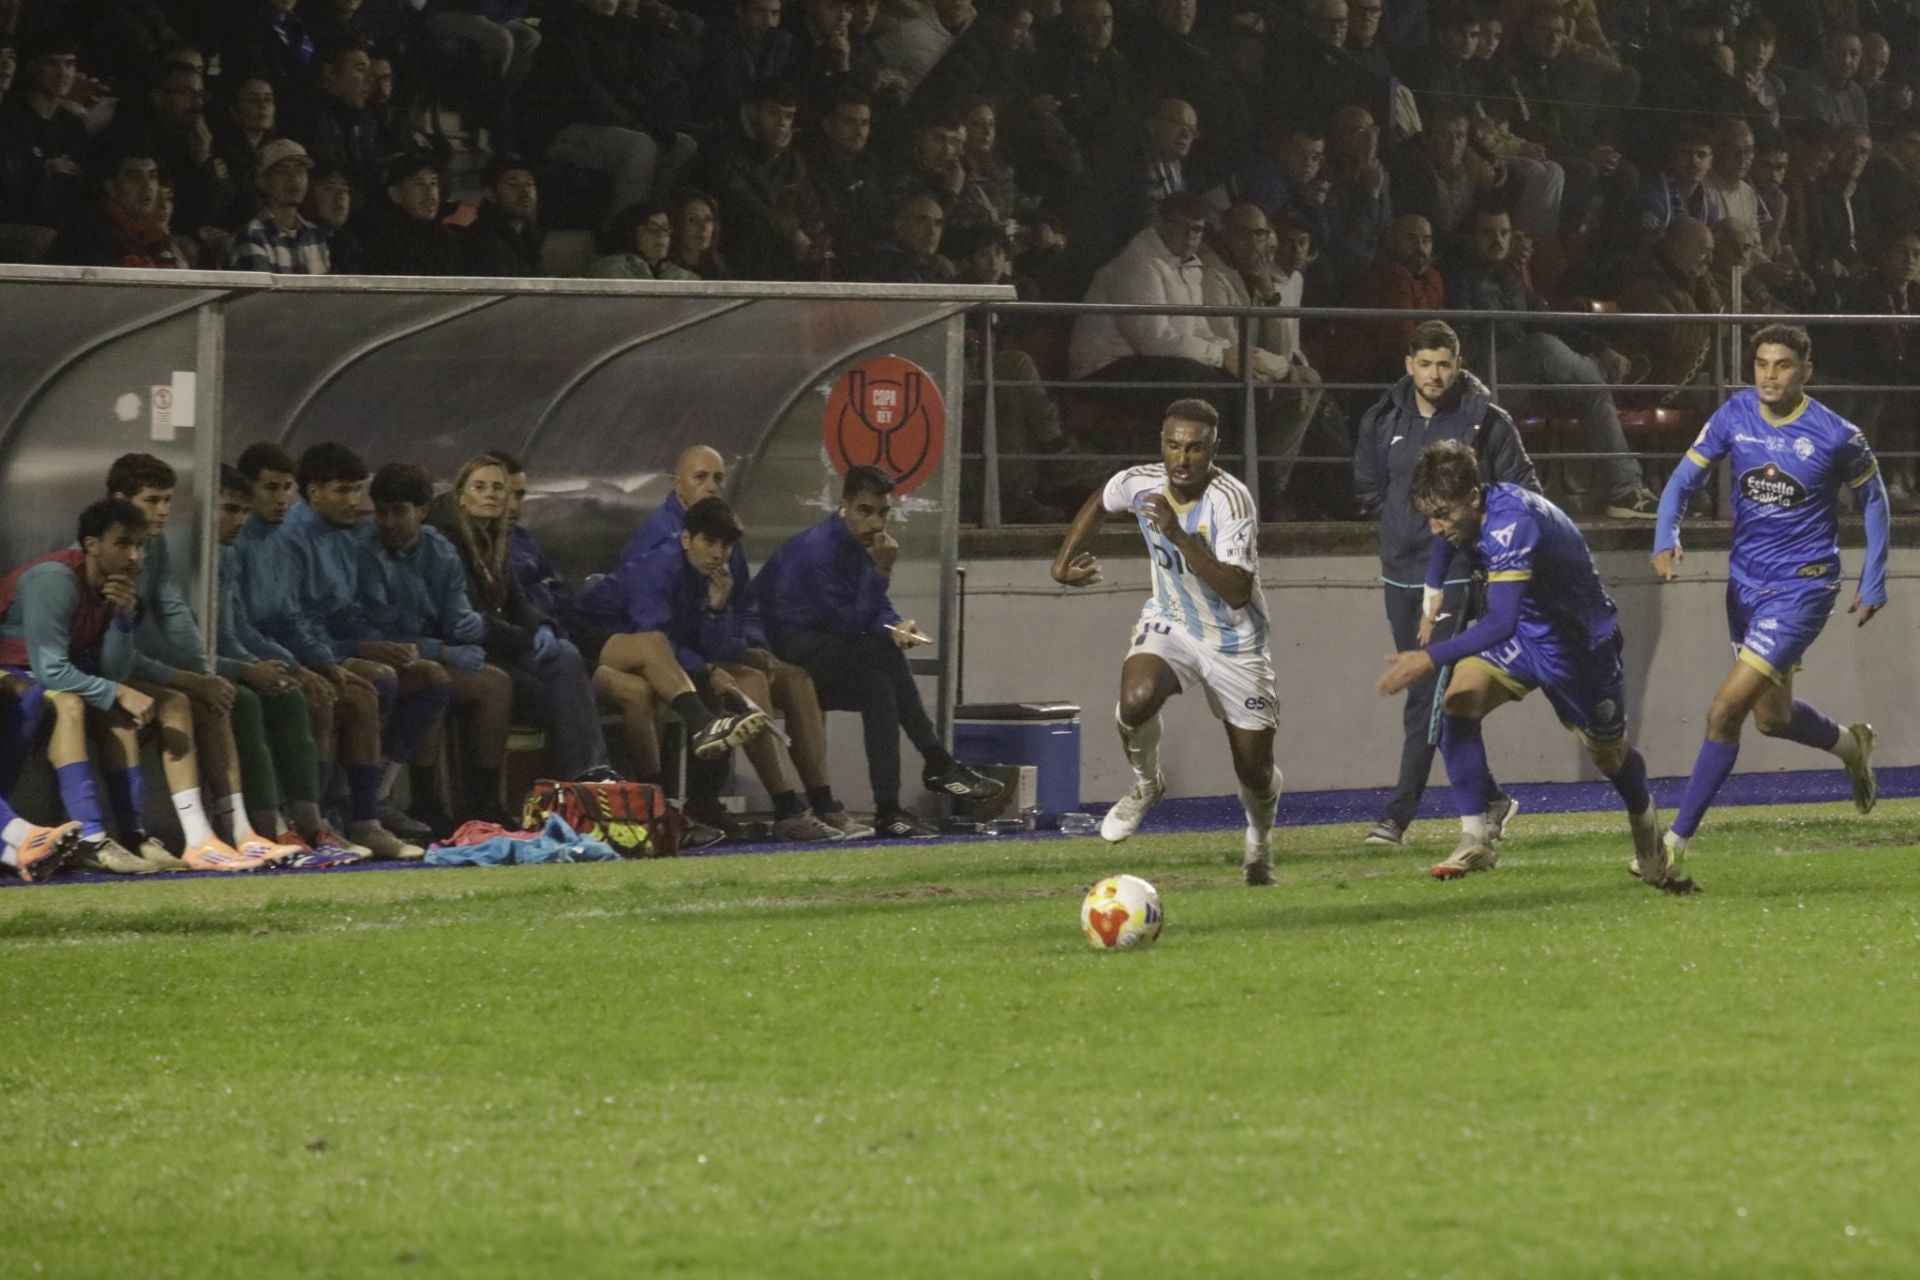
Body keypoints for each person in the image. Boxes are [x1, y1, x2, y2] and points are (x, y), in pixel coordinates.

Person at [1647, 324, 1886, 892]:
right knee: (1771, 718)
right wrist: (1664, 533)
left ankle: (1671, 846)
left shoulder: (1836, 435)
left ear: (1806, 371)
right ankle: (1853, 745)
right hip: (1745, 586)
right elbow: (1683, 479)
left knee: (1723, 713)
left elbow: (1873, 501)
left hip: (1803, 587)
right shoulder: (1735, 416)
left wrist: (1873, 579)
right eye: (1761, 364)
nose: (1769, 375)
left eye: (1782, 365)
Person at [1376, 442, 1661, 883]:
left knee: (1610, 758)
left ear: (1473, 497)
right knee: (1458, 703)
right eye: (1428, 515)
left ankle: (1646, 827)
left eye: (1443, 515)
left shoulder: (1513, 524)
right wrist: (1434, 586)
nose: (1435, 528)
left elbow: (1499, 623)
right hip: (1530, 636)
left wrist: (1428, 658)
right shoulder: (1472, 509)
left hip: (1579, 649)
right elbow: (1450, 536)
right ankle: (1475, 840)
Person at [1047, 400, 1282, 884]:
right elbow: (1101, 498)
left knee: (1255, 771)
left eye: (1195, 448)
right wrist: (1062, 562)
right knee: (1135, 700)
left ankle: (1259, 846)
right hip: (1173, 622)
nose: (1182, 458)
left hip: (1235, 644)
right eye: (1173, 445)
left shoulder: (1231, 502)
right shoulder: (1142, 482)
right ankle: (1146, 785)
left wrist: (1177, 535)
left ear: (1214, 451)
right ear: (1162, 444)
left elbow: (1237, 590)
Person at [588, 445, 868, 838]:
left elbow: (735, 613)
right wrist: (710, 666)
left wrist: (731, 629)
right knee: (740, 682)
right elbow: (654, 634)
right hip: (617, 647)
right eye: (700, 477)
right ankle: (781, 806)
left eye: (718, 478)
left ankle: (820, 802)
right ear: (677, 487)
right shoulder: (657, 553)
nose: (712, 486)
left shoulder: (719, 541)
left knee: (794, 677)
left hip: (682, 652)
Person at [0, 500, 261, 873]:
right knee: (71, 703)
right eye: (123, 544)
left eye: (140, 546)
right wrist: (118, 690)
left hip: (42, 676)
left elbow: (114, 669)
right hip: (15, 670)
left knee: (116, 710)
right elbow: (51, 670)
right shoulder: (54, 579)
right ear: (91, 545)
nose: (135, 556)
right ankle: (88, 836)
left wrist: (122, 621)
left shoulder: (115, 589)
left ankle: (133, 834)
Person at [1353, 320, 1534, 849]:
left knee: (1426, 693)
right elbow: (1368, 485)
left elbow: (1521, 491)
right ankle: (1492, 797)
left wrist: (1474, 545)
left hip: (1455, 570)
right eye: (1426, 364)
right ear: (1409, 365)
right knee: (1428, 694)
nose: (1435, 374)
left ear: (1459, 365)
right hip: (1399, 569)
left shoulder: (1485, 421)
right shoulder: (1382, 418)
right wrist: (1398, 524)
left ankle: (1397, 816)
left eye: (1445, 364)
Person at [757, 466, 1001, 838]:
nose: (875, 522)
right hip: (783, 648)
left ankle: (889, 810)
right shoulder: (819, 549)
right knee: (881, 654)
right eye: (865, 511)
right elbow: (846, 623)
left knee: (879, 688)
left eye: (883, 513)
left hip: (821, 647)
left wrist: (896, 625)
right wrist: (882, 572)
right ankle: (938, 762)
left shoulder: (857, 544)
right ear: (844, 506)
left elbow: (871, 609)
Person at [105, 453, 307, 869]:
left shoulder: (153, 547)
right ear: (119, 499)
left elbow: (175, 611)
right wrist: (195, 677)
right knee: (182, 701)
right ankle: (194, 835)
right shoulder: (101, 554)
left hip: (135, 668)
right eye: (152, 501)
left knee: (220, 698)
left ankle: (244, 831)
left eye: (167, 500)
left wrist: (205, 672)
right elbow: (113, 655)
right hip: (104, 675)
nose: (162, 511)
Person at [268, 442, 449, 857]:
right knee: (370, 688)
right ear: (313, 492)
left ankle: (373, 798)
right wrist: (355, 651)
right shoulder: (291, 538)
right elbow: (290, 620)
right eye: (343, 491)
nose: (355, 501)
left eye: (356, 490)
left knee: (431, 678)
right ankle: (340, 810)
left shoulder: (340, 536)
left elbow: (345, 610)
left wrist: (383, 642)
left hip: (332, 645)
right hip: (299, 651)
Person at [212, 465, 366, 866]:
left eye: (242, 512)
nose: (239, 521)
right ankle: (267, 826)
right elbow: (174, 640)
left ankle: (312, 823)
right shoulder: (188, 553)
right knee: (244, 701)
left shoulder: (226, 554)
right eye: (229, 510)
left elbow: (232, 628)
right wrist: (247, 669)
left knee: (290, 694)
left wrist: (277, 666)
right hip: (190, 668)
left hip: (231, 657)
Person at [226, 138, 332, 273]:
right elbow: (261, 293)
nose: (294, 179)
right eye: (282, 171)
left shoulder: (316, 236)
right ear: (262, 181)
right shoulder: (251, 236)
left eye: (300, 171)